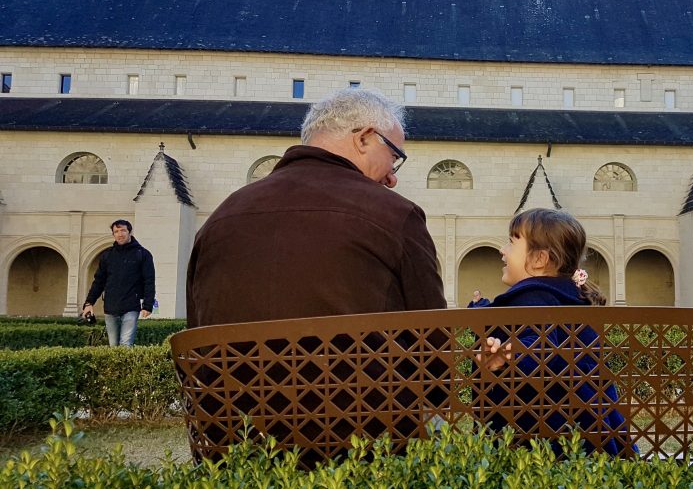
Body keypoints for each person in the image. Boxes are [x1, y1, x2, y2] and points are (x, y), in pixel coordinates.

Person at [186, 88, 446, 327]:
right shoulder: (396, 215)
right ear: (365, 139)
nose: (392, 178)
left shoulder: (217, 221)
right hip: (358, 380)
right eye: (394, 157)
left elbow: (195, 344)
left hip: (231, 380)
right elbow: (436, 347)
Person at [468, 207, 633, 456]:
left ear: (539, 260)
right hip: (593, 435)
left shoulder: (533, 297)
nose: (502, 250)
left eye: (512, 243)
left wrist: (510, 359)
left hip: (545, 445)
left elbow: (541, 342)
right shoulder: (571, 299)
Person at [83, 219, 156, 347]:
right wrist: (89, 303)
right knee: (113, 345)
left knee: (125, 344)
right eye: (116, 231)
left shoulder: (143, 254)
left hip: (131, 306)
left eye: (123, 230)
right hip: (110, 307)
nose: (120, 234)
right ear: (113, 234)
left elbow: (149, 280)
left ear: (130, 232)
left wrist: (147, 305)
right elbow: (99, 281)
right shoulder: (107, 256)